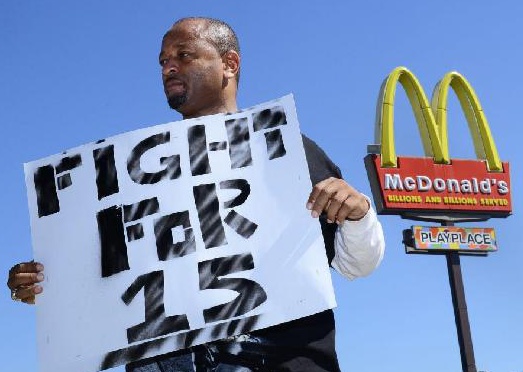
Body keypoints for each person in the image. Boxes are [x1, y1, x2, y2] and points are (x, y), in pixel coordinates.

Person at [7, 17, 385, 371]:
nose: (168, 67)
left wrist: (358, 213)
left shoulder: (280, 148)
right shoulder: (128, 176)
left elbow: (357, 264)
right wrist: (52, 284)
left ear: (229, 64)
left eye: (183, 56)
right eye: (163, 61)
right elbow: (110, 279)